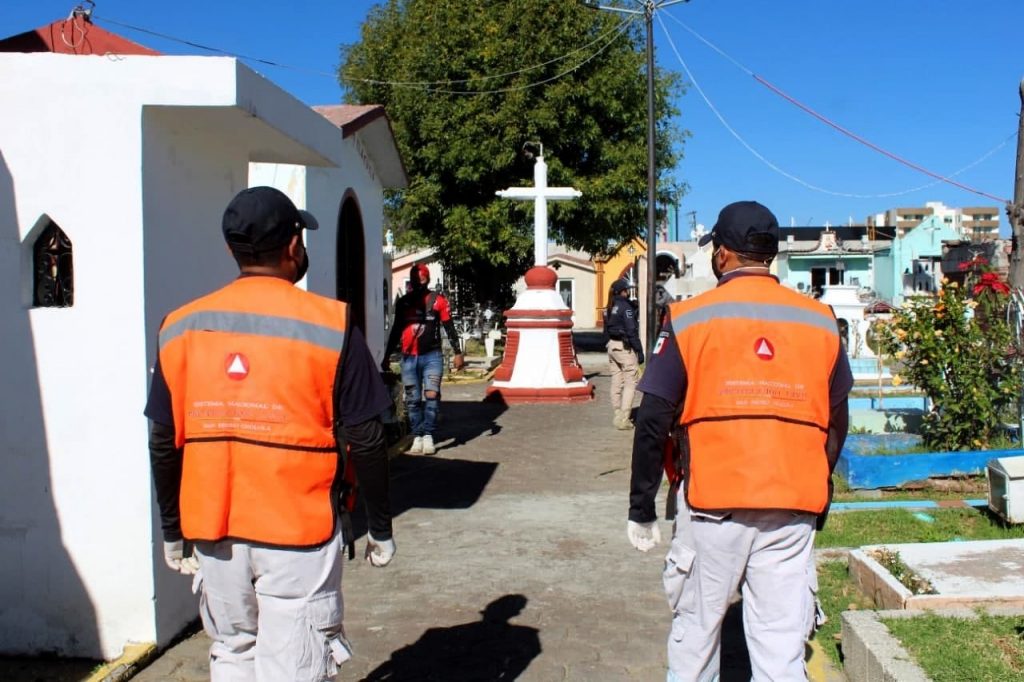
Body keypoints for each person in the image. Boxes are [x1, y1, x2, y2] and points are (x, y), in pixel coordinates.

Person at [146, 186, 395, 681]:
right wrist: (380, 527)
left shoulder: (179, 327)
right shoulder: (332, 324)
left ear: (231, 249)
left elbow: (162, 439)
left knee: (233, 652)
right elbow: (367, 438)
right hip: (297, 530)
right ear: (292, 246)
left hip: (214, 532)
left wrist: (173, 529)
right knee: (295, 664)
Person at [626, 200, 852, 681]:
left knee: (697, 639)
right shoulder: (820, 320)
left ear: (724, 255)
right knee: (781, 650)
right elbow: (836, 421)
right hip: (792, 506)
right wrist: (819, 484)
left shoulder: (689, 318)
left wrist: (641, 506)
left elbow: (652, 419)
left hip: (713, 507)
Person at [382, 263, 465, 455]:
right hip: (409, 358)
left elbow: (449, 327)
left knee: (431, 395)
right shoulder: (403, 303)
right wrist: (386, 356)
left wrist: (458, 352)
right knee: (412, 399)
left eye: (422, 280)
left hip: (432, 357)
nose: (418, 284)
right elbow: (395, 331)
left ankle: (428, 434)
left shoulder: (438, 301)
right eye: (415, 281)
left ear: (426, 280)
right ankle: (417, 434)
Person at [604, 278, 644, 430]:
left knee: (616, 380)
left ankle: (617, 413)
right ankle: (624, 418)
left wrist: (608, 344)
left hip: (612, 347)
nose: (628, 293)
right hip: (623, 347)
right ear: (622, 291)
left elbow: (605, 331)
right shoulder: (625, 307)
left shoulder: (609, 306)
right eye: (627, 290)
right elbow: (631, 330)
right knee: (630, 381)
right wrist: (639, 350)